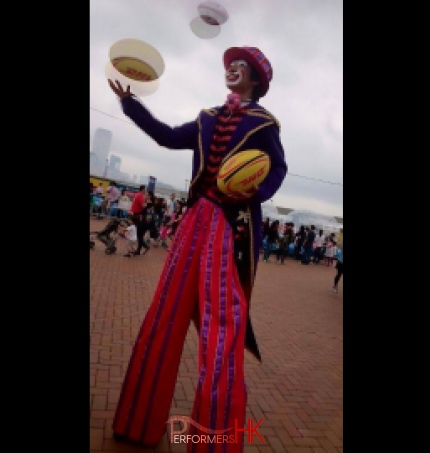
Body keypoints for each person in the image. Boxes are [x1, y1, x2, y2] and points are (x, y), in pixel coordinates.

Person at [108, 45, 287, 452]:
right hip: (194, 223)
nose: (233, 69)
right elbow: (167, 136)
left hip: (230, 229)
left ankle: (214, 443)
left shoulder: (264, 125)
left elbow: (277, 168)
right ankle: (137, 420)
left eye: (242, 67)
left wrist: (253, 191)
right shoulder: (207, 118)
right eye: (231, 65)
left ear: (256, 80)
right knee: (164, 314)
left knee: (222, 329)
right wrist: (129, 104)